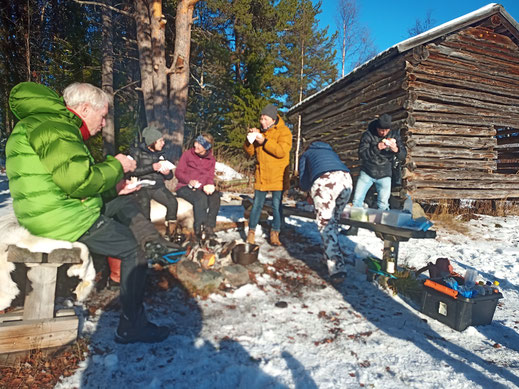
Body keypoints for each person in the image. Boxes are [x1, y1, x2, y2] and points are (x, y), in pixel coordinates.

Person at [5, 82, 181, 344]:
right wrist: (117, 166)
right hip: (59, 219)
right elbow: (78, 181)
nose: (103, 123)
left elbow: (63, 183)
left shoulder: (43, 123)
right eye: (102, 115)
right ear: (85, 108)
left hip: (49, 211)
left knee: (122, 202)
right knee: (133, 249)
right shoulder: (56, 127)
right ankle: (132, 325)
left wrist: (116, 188)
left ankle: (154, 242)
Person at [299, 142, 353, 277]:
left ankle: (337, 269)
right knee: (333, 221)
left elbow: (303, 179)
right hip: (347, 181)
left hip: (325, 182)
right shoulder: (331, 152)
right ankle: (328, 255)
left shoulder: (307, 154)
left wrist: (307, 192)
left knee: (326, 225)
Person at [347, 114, 406, 235]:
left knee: (383, 204)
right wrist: (377, 147)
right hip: (367, 172)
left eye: (386, 130)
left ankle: (382, 230)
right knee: (357, 200)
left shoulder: (394, 135)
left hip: (385, 174)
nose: (383, 133)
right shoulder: (368, 135)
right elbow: (362, 154)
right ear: (377, 127)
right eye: (381, 130)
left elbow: (403, 155)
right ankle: (354, 227)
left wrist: (396, 150)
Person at [244, 104, 292, 246]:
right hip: (262, 175)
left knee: (277, 206)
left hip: (278, 175)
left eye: (265, 119)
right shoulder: (261, 132)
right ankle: (251, 232)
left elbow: (281, 151)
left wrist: (264, 142)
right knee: (257, 204)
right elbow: (249, 152)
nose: (262, 121)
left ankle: (275, 233)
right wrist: (249, 139)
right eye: (261, 118)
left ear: (272, 119)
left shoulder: (284, 132)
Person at [129, 125, 179, 237]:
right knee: (144, 204)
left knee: (172, 202)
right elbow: (132, 171)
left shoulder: (161, 154)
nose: (163, 143)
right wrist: (152, 167)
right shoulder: (138, 153)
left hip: (158, 187)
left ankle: (171, 233)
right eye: (160, 141)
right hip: (143, 186)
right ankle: (146, 235)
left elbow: (169, 177)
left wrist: (167, 174)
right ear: (152, 142)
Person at [175, 133, 220, 240]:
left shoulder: (211, 160)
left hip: (201, 187)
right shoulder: (187, 155)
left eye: (200, 144)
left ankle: (209, 227)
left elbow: (209, 176)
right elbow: (178, 172)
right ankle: (199, 229)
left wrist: (209, 185)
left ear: (206, 148)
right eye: (196, 142)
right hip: (185, 187)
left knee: (215, 197)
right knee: (200, 198)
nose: (196, 145)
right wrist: (189, 181)